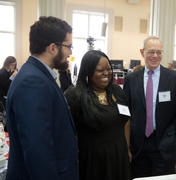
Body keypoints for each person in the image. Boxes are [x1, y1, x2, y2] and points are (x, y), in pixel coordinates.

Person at [6, 16, 79, 180]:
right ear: (53, 48)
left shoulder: (39, 76)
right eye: (69, 46)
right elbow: (37, 151)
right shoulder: (33, 82)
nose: (71, 52)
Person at [123, 36, 176, 178]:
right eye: (151, 52)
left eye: (159, 52)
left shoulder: (174, 78)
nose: (155, 56)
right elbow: (127, 113)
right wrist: (127, 145)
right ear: (142, 52)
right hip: (138, 146)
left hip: (164, 146)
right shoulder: (131, 79)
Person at [64, 50, 131, 180]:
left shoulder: (117, 91)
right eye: (100, 70)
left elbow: (126, 120)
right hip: (92, 160)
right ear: (88, 71)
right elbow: (64, 131)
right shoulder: (75, 96)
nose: (106, 73)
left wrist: (127, 148)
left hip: (119, 155)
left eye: (108, 69)